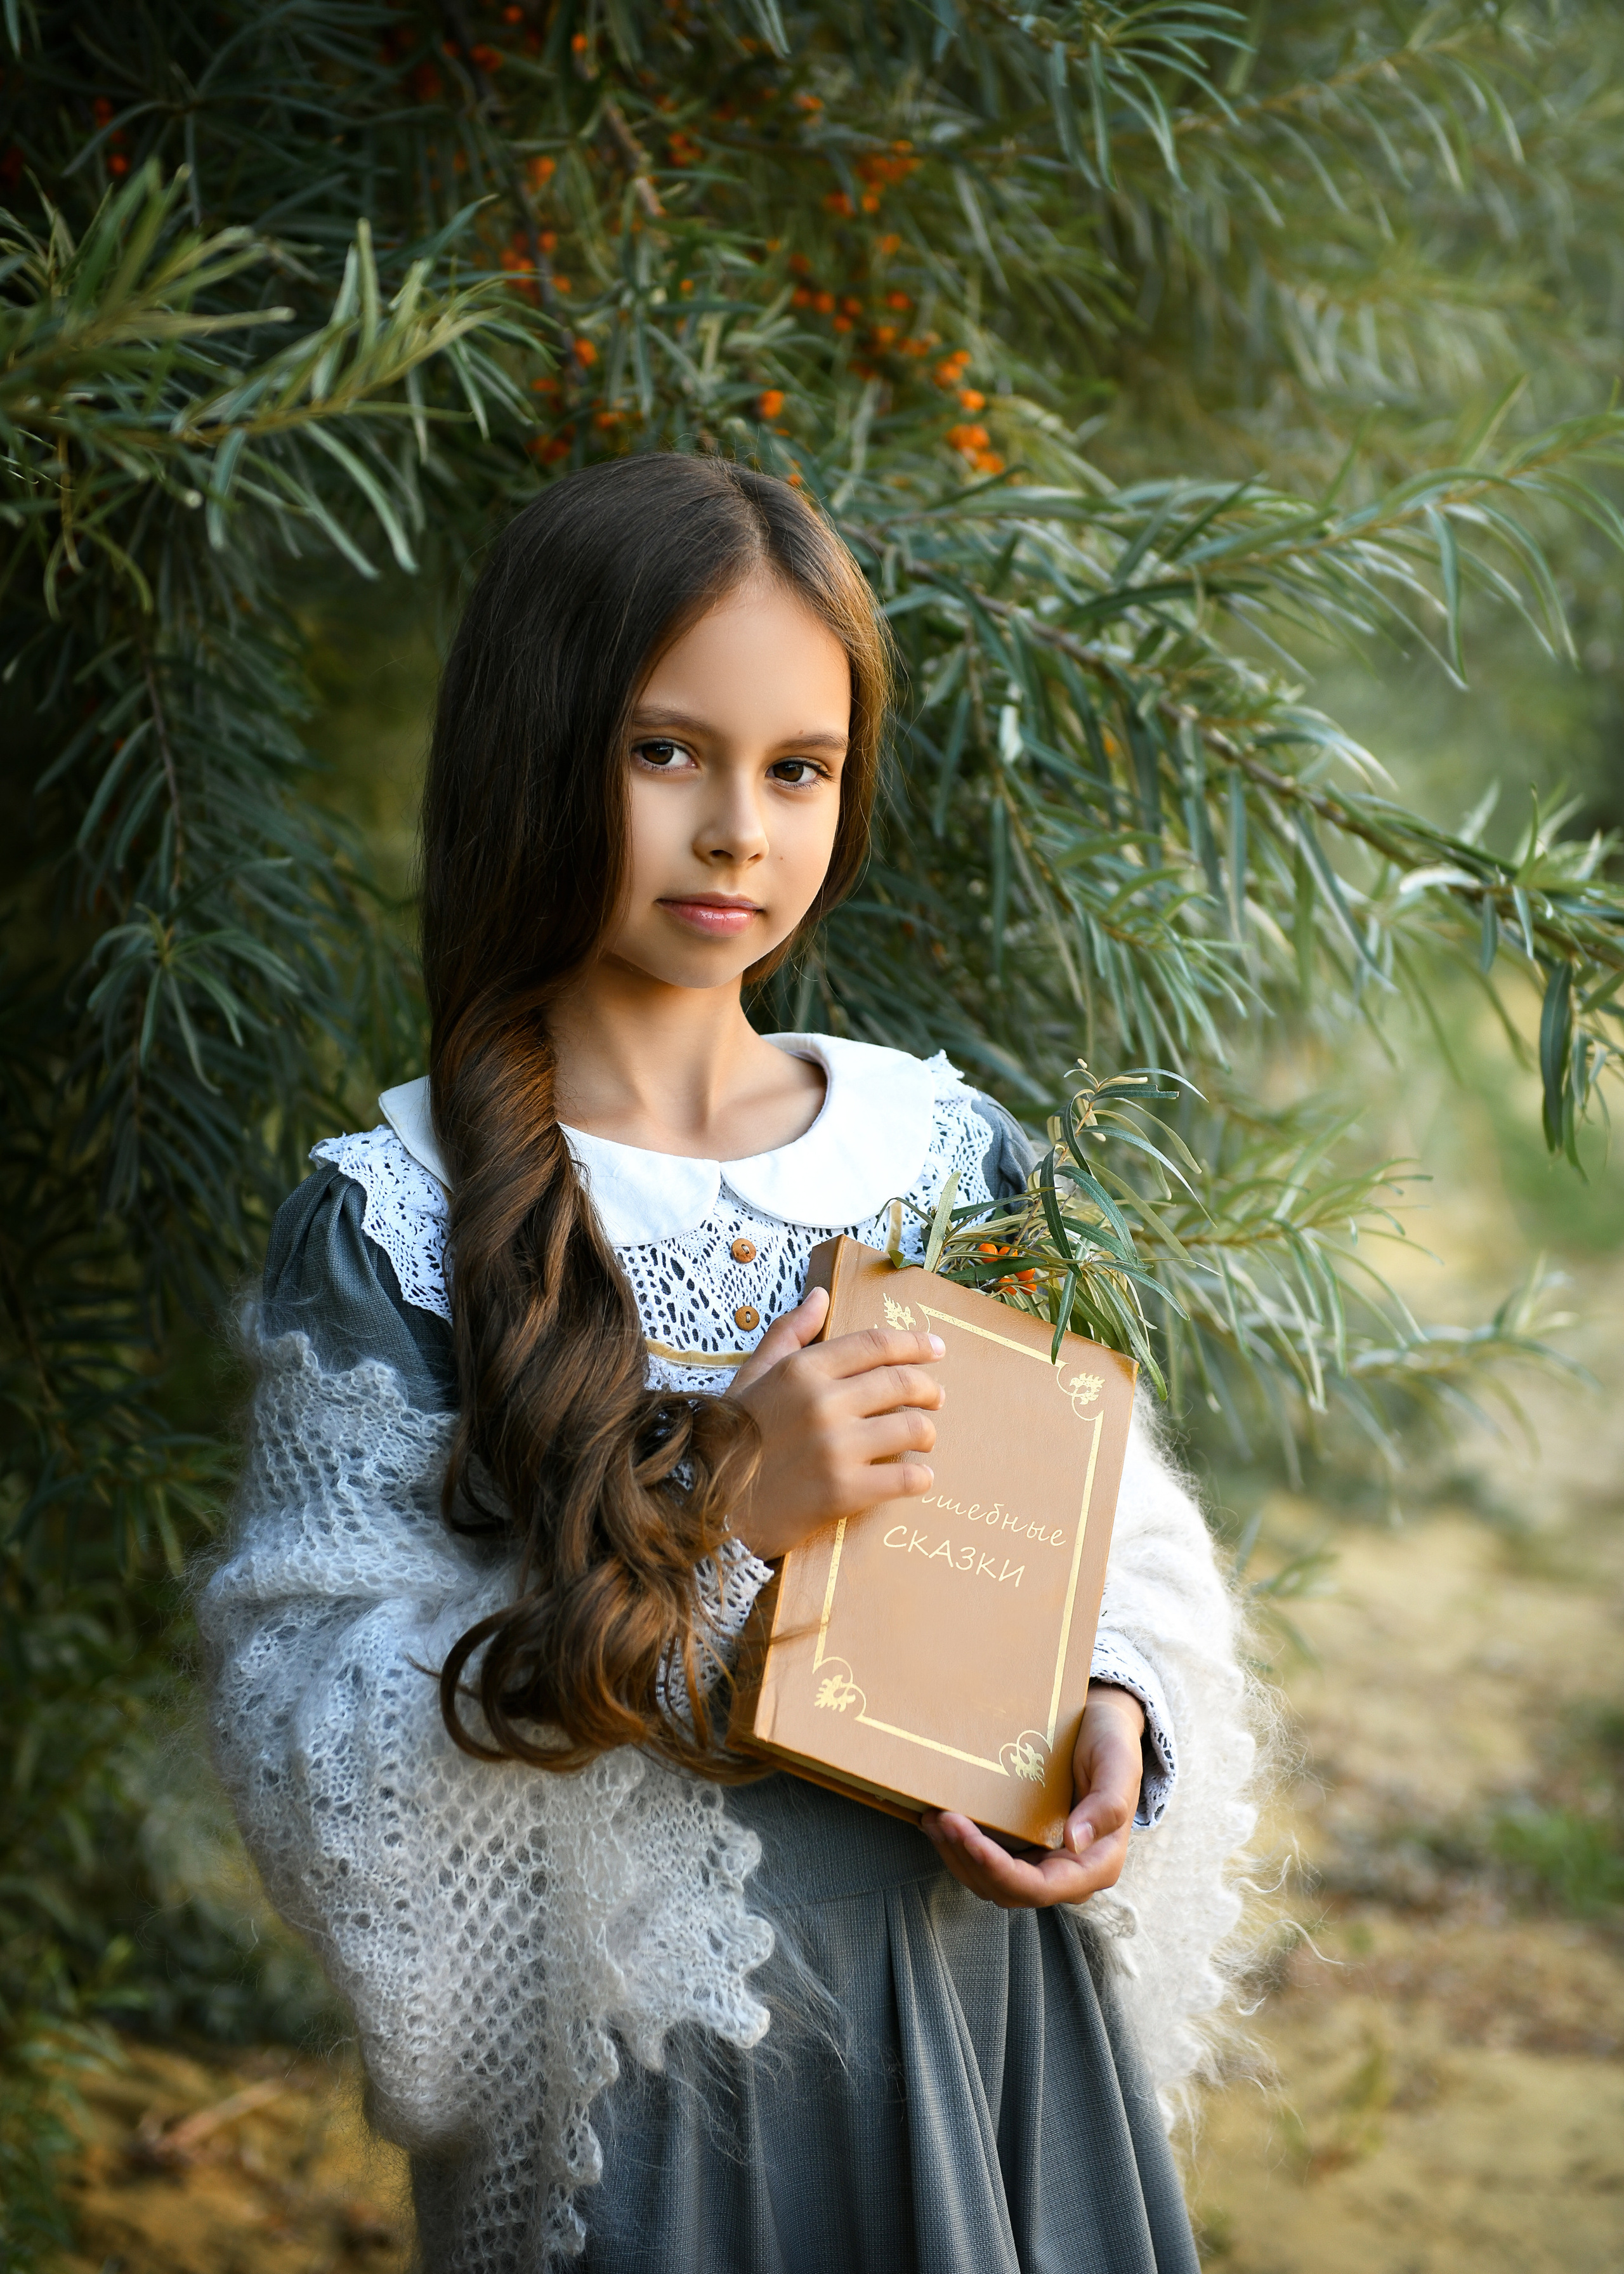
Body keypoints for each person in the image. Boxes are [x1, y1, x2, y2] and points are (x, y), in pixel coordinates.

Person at [200, 455, 1257, 2274]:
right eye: (667, 752)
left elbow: (1119, 1545)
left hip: (990, 2016)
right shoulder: (395, 1218)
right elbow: (325, 1747)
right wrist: (716, 1508)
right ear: (538, 751)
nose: (739, 835)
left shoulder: (943, 1160)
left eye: (800, 769)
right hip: (663, 2122)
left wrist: (1118, 1712)